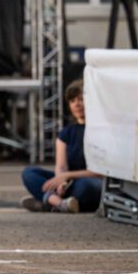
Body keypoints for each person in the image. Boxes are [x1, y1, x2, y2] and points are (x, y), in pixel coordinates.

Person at [21, 79, 102, 213]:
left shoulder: (101, 130)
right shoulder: (66, 133)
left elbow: (100, 172)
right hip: (68, 183)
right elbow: (61, 166)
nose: (76, 104)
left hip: (88, 181)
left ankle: (47, 202)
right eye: (72, 101)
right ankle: (60, 203)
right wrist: (61, 181)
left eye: (81, 99)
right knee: (29, 173)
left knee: (87, 186)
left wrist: (66, 176)